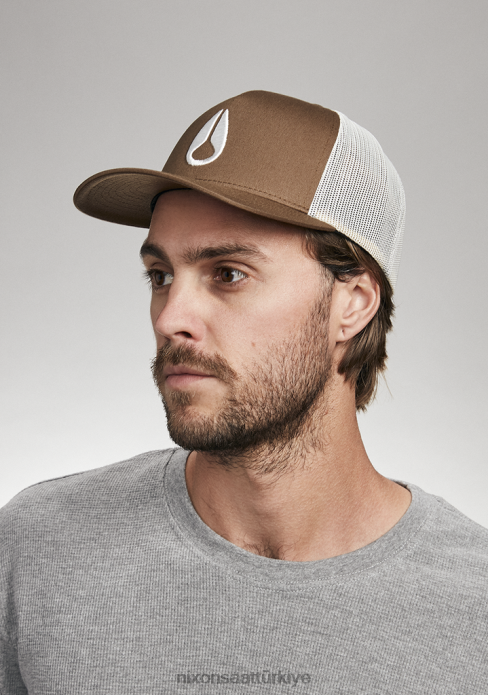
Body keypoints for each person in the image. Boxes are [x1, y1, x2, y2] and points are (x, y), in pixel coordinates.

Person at [1, 91, 487, 693]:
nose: (170, 318)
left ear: (353, 304)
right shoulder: (38, 549)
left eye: (228, 274)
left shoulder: (474, 608)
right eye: (160, 276)